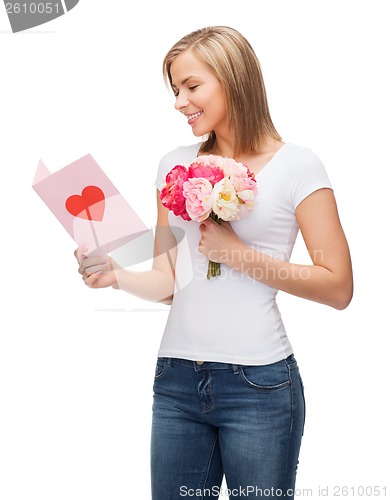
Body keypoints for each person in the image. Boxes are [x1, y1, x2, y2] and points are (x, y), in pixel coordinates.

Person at [75, 26, 353, 499]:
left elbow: (338, 287)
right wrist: (115, 276)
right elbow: (168, 282)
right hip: (177, 381)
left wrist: (239, 256)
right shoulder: (172, 165)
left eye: (191, 86)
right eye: (175, 89)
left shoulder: (299, 167)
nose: (179, 102)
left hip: (260, 385)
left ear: (233, 78)